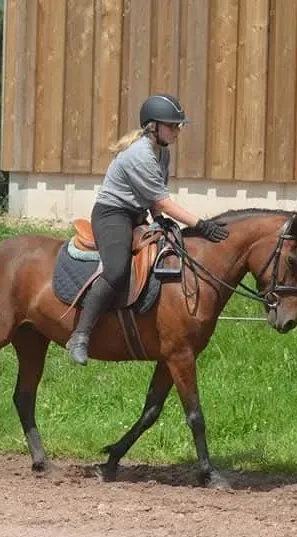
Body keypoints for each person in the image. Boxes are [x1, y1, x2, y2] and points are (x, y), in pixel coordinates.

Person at [65, 93, 230, 365]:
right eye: (172, 125)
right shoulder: (140, 154)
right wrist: (201, 225)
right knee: (117, 270)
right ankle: (80, 335)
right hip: (113, 215)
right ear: (153, 126)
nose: (177, 131)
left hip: (137, 214)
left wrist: (158, 219)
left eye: (178, 126)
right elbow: (163, 200)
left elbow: (155, 196)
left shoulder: (162, 153)